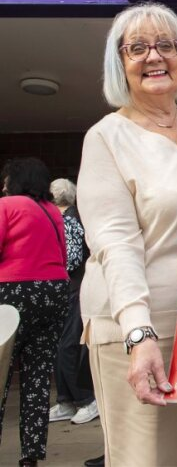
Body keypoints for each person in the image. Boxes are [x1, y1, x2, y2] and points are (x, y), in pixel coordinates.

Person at [76, 1, 177, 466]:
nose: (154, 57)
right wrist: (138, 333)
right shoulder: (106, 138)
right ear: (119, 63)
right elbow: (114, 242)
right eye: (137, 48)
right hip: (141, 327)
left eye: (166, 45)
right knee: (144, 460)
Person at [0, 157, 69, 467]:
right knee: (38, 376)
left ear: (16, 181)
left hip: (13, 291)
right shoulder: (53, 211)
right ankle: (30, 455)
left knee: (1, 373)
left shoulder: (7, 206)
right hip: (54, 291)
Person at [48, 179, 98, 425]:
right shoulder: (70, 218)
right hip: (69, 288)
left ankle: (86, 400)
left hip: (73, 288)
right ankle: (66, 400)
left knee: (67, 344)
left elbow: (71, 260)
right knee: (63, 343)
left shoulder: (68, 221)